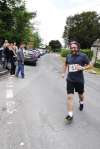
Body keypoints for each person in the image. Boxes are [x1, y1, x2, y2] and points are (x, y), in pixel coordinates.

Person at [62, 41, 92, 123]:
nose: (73, 49)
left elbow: (90, 65)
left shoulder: (83, 56)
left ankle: (81, 102)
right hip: (70, 80)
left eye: (74, 47)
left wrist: (82, 68)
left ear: (78, 47)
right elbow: (65, 64)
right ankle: (70, 115)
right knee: (70, 97)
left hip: (79, 80)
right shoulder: (68, 56)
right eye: (71, 48)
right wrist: (63, 73)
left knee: (81, 95)